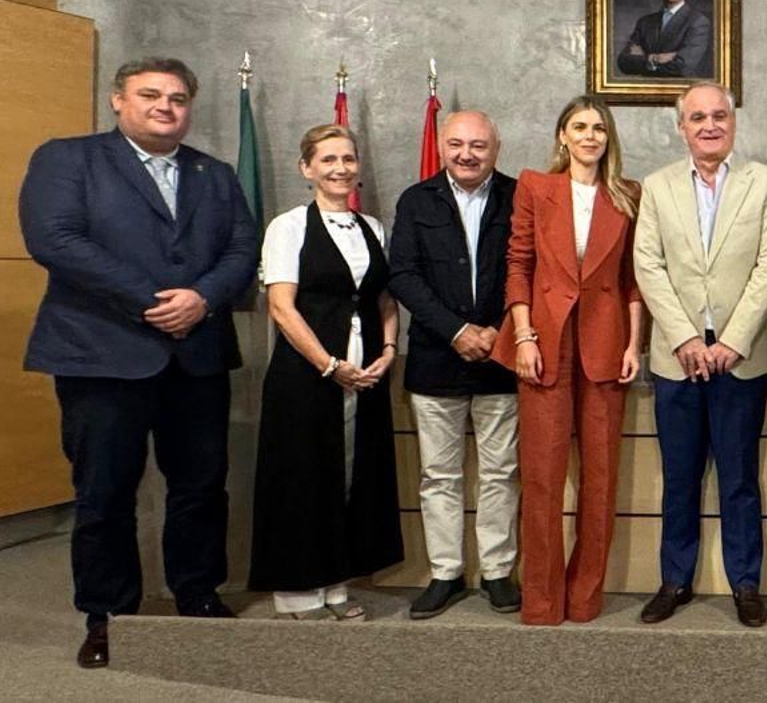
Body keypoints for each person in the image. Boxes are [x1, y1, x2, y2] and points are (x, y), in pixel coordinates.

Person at [19, 57, 258, 668]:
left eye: (177, 98)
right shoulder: (69, 159)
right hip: (101, 354)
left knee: (201, 488)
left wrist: (202, 298)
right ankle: (108, 617)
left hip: (197, 356)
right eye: (150, 94)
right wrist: (153, 301)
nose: (165, 106)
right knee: (103, 493)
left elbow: (241, 245)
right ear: (116, 100)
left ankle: (198, 598)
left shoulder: (216, 173)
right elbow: (55, 239)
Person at [632, 81, 767, 627]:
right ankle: (674, 580)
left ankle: (745, 583)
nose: (709, 125)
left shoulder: (764, 184)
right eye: (697, 117)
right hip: (676, 359)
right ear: (681, 127)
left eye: (719, 115)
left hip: (741, 359)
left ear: (733, 122)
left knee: (739, 476)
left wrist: (731, 341)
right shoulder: (655, 187)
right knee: (679, 477)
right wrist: (684, 339)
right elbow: (647, 266)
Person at [488, 97, 644, 625]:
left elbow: (631, 281)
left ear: (609, 138)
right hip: (545, 343)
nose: (590, 135)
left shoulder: (627, 195)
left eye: (599, 127)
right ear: (562, 136)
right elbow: (518, 264)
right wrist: (525, 334)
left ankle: (584, 599)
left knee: (600, 483)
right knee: (542, 479)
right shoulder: (536, 186)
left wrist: (633, 345)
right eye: (579, 126)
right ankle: (542, 601)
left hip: (605, 343)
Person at [249, 124, 403, 621]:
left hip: (367, 371)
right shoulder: (287, 227)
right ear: (306, 168)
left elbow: (383, 298)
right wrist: (329, 365)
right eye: (329, 159)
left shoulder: (372, 228)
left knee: (350, 474)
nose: (341, 168)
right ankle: (297, 592)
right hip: (306, 373)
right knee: (303, 474)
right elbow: (281, 307)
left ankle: (336, 582)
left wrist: (390, 350)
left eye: (349, 159)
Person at [387, 110, 521, 619]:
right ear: (442, 147)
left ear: (497, 148)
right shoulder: (416, 200)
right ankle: (445, 573)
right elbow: (403, 275)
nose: (467, 154)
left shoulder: (518, 197)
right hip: (435, 359)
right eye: (458, 144)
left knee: (500, 473)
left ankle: (497, 572)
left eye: (479, 145)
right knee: (438, 475)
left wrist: (497, 332)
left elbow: (525, 271)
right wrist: (457, 331)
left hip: (501, 358)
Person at [616, 0, 713, 78]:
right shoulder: (645, 22)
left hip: (681, 92)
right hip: (647, 93)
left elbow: (683, 68)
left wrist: (644, 59)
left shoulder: (698, 22)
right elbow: (623, 62)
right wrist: (655, 58)